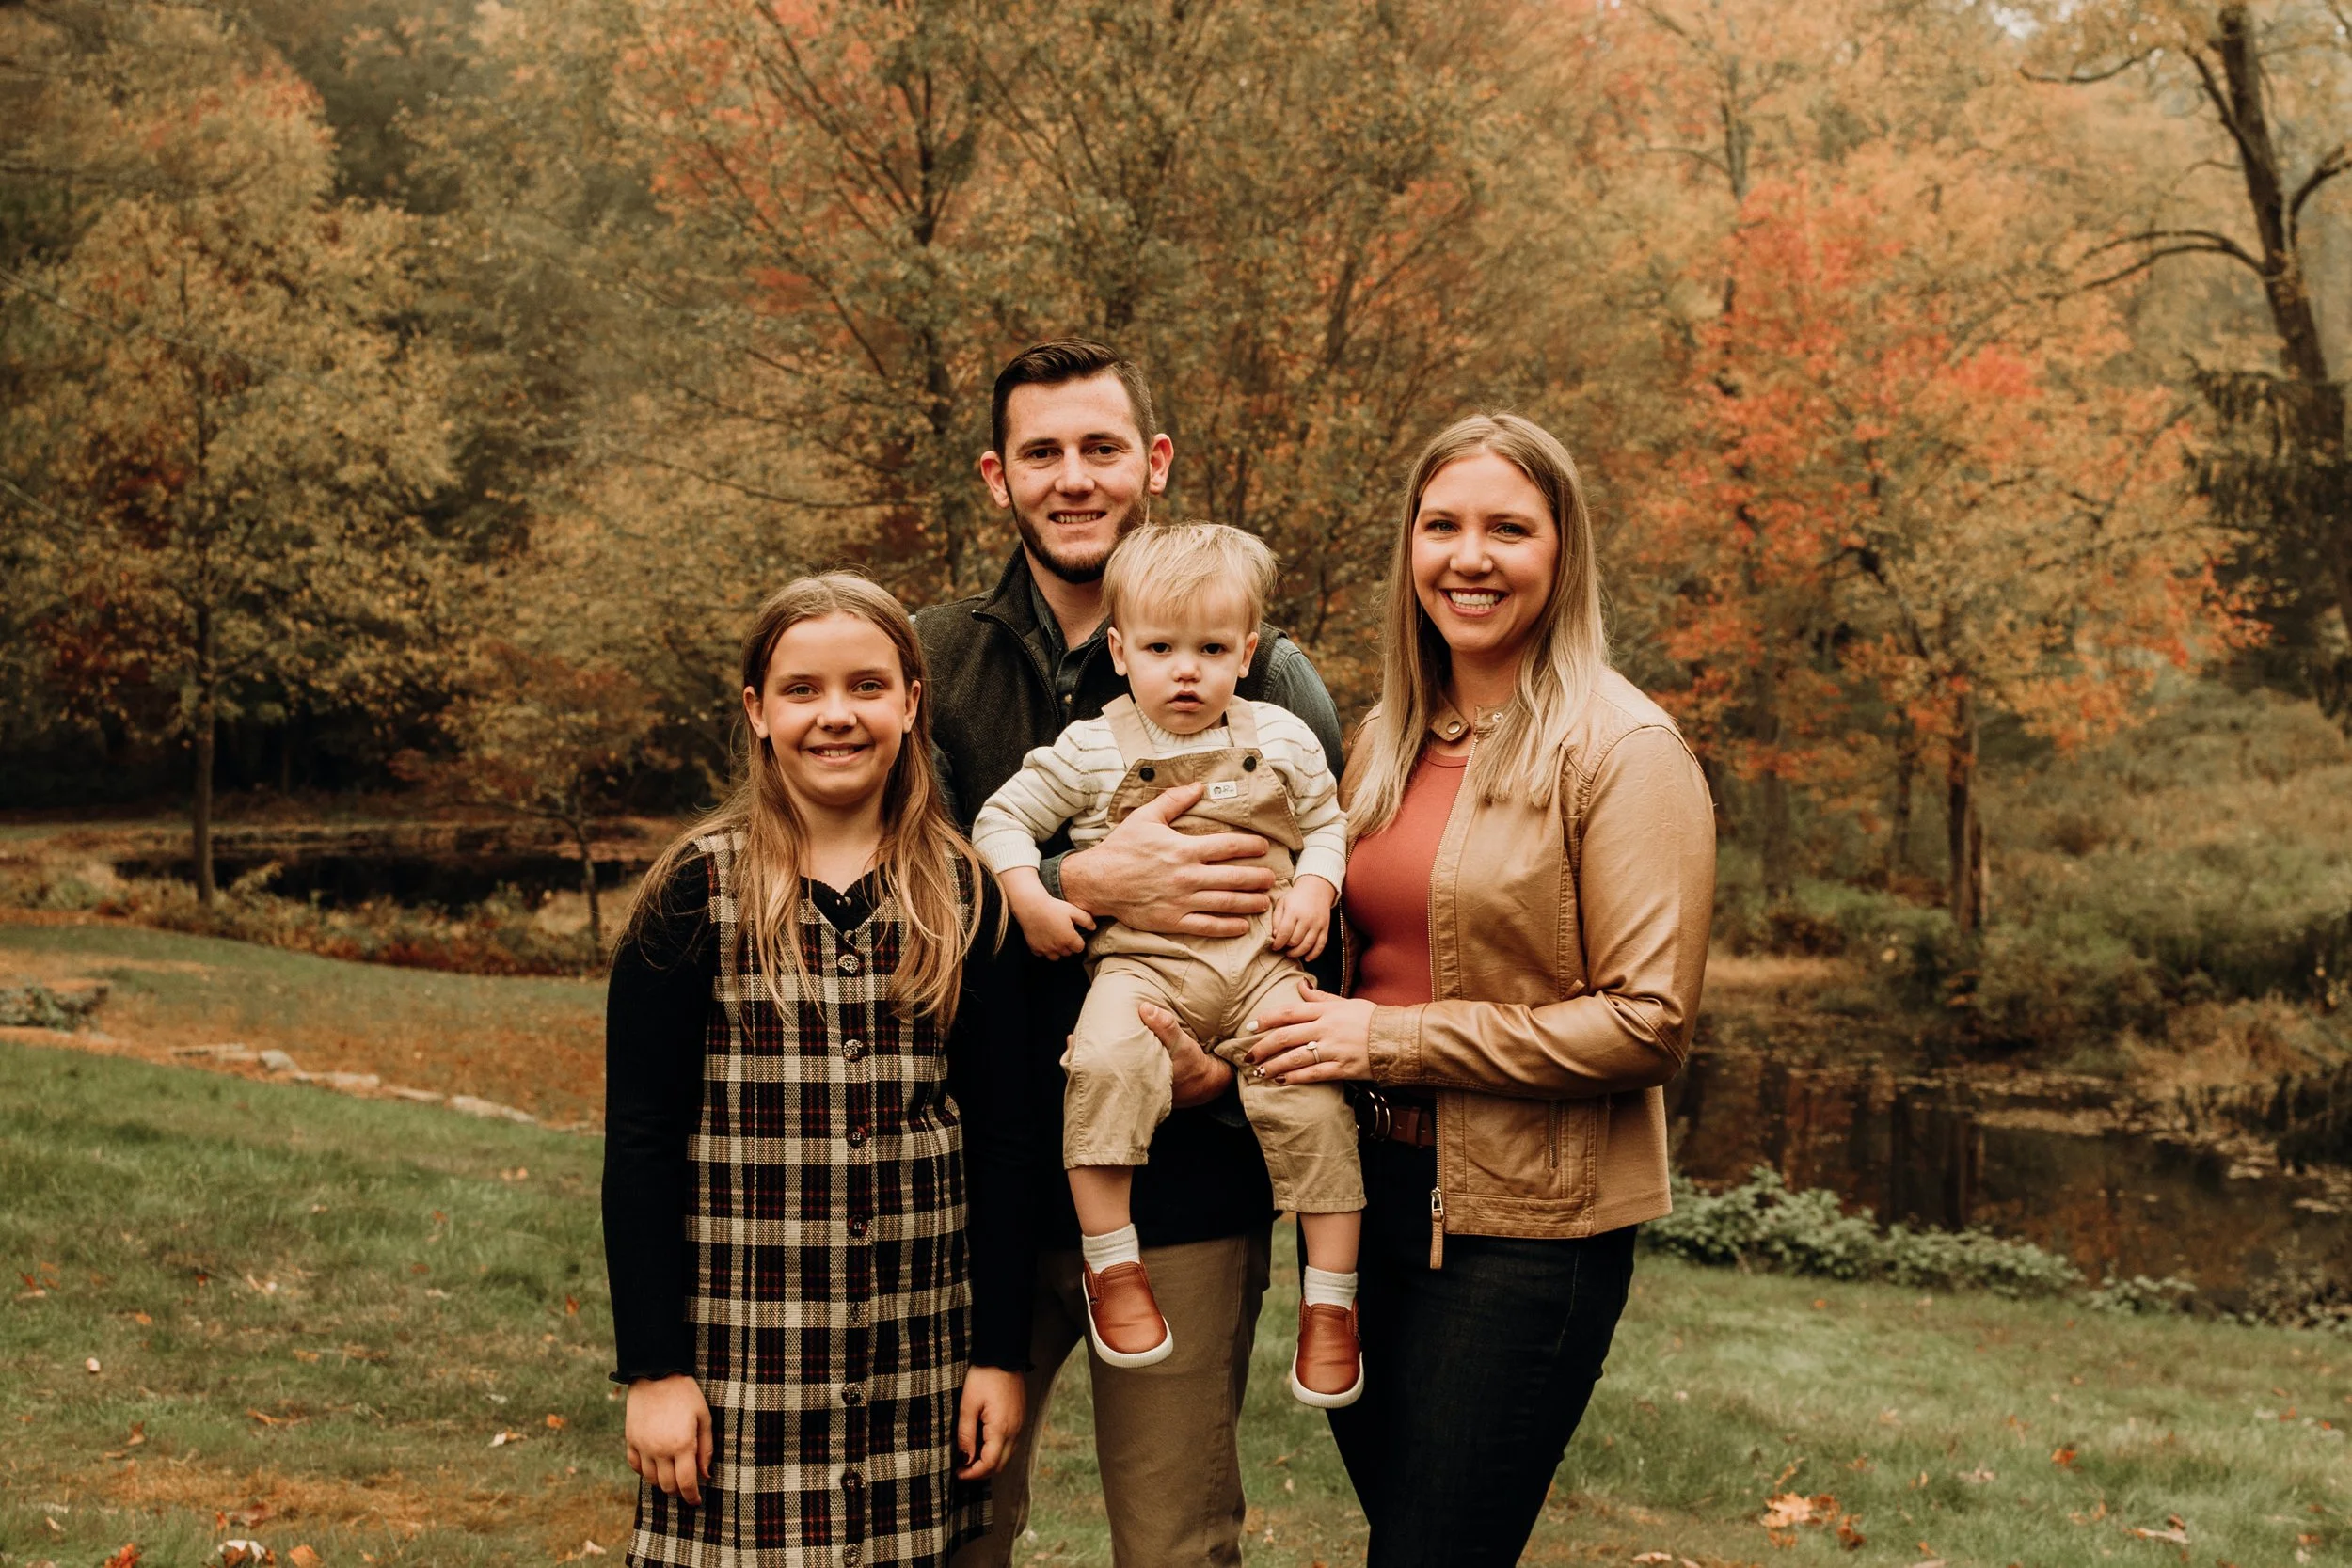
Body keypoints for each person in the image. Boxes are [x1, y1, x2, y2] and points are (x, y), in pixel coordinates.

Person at [1238, 413, 1717, 1566]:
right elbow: (1348, 958)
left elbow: (1647, 1023)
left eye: (1508, 527)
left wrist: (1384, 1038)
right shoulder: (1385, 739)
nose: (1470, 556)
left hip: (1524, 1231)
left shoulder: (1624, 748)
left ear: (1562, 552)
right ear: (1408, 547)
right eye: (1441, 524)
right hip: (1364, 1202)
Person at [914, 340, 1345, 1568]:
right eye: (1042, 453)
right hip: (973, 1189)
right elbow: (908, 906)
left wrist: (1229, 1069)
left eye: (1102, 448)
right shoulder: (934, 659)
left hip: (1187, 1186)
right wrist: (1073, 881)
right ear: (998, 478)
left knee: (1175, 1539)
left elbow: (1330, 919)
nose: (1074, 477)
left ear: (1152, 463)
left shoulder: (1269, 676)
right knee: (945, 1531)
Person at [602, 574, 1036, 1568]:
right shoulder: (693, 895)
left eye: (866, 686)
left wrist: (999, 1353)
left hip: (913, 1374)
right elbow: (640, 1144)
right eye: (801, 689)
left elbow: (1009, 1144)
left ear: (911, 701)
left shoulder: (963, 894)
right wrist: (655, 1368)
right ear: (757, 710)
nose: (835, 715)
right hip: (737, 1376)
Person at [970, 520, 1364, 1408]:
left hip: (1264, 966)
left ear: (1247, 651)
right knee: (1104, 1062)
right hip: (1142, 971)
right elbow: (998, 821)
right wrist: (1032, 892)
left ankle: (1331, 1302)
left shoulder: (1286, 736)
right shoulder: (1092, 747)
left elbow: (1331, 823)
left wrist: (1315, 886)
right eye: (1159, 647)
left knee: (1312, 1096)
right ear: (1119, 649)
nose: (1185, 669)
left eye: (1212, 647)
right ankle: (1113, 1263)